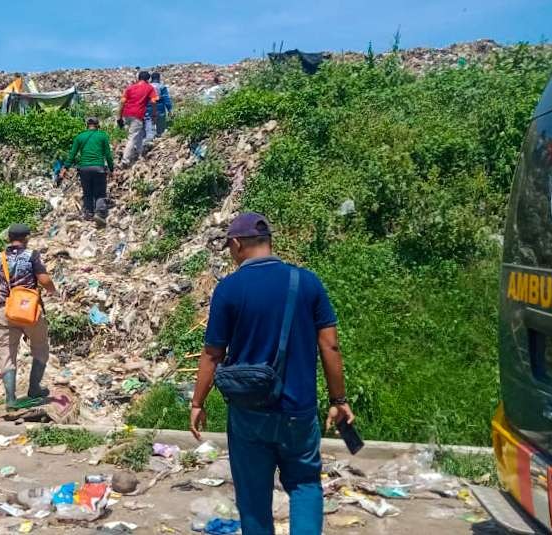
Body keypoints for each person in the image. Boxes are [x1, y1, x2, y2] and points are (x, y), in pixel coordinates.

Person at [189, 212, 354, 535]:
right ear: (269, 242)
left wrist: (198, 402)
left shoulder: (230, 289)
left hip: (250, 414)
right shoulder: (307, 282)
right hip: (298, 411)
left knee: (253, 499)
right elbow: (330, 347)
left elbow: (212, 354)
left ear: (236, 244)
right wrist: (339, 399)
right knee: (306, 484)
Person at [0, 224, 58, 407]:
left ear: (9, 237)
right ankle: (34, 388)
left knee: (7, 354)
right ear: (26, 238)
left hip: (7, 311)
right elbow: (44, 280)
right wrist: (53, 291)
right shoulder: (31, 255)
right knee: (40, 347)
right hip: (29, 310)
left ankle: (11, 399)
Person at [65, 117, 115, 225]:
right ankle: (100, 213)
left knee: (87, 192)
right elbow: (108, 155)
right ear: (97, 125)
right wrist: (111, 169)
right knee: (100, 193)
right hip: (98, 168)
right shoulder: (102, 136)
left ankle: (89, 213)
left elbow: (72, 155)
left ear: (87, 125)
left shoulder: (80, 137)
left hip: (84, 169)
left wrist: (66, 167)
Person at [118, 71, 159, 167]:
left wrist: (119, 117)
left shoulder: (130, 88)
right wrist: (154, 115)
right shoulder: (149, 88)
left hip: (126, 114)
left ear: (138, 78)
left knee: (139, 133)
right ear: (148, 79)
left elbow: (122, 102)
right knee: (132, 137)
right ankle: (125, 160)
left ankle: (139, 153)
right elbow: (154, 102)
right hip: (137, 115)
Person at [145, 72, 173, 141]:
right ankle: (159, 141)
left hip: (149, 108)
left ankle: (149, 142)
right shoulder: (162, 87)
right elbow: (166, 99)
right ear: (158, 78)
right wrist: (170, 110)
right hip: (160, 108)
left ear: (151, 78)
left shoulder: (147, 87)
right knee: (161, 130)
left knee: (149, 128)